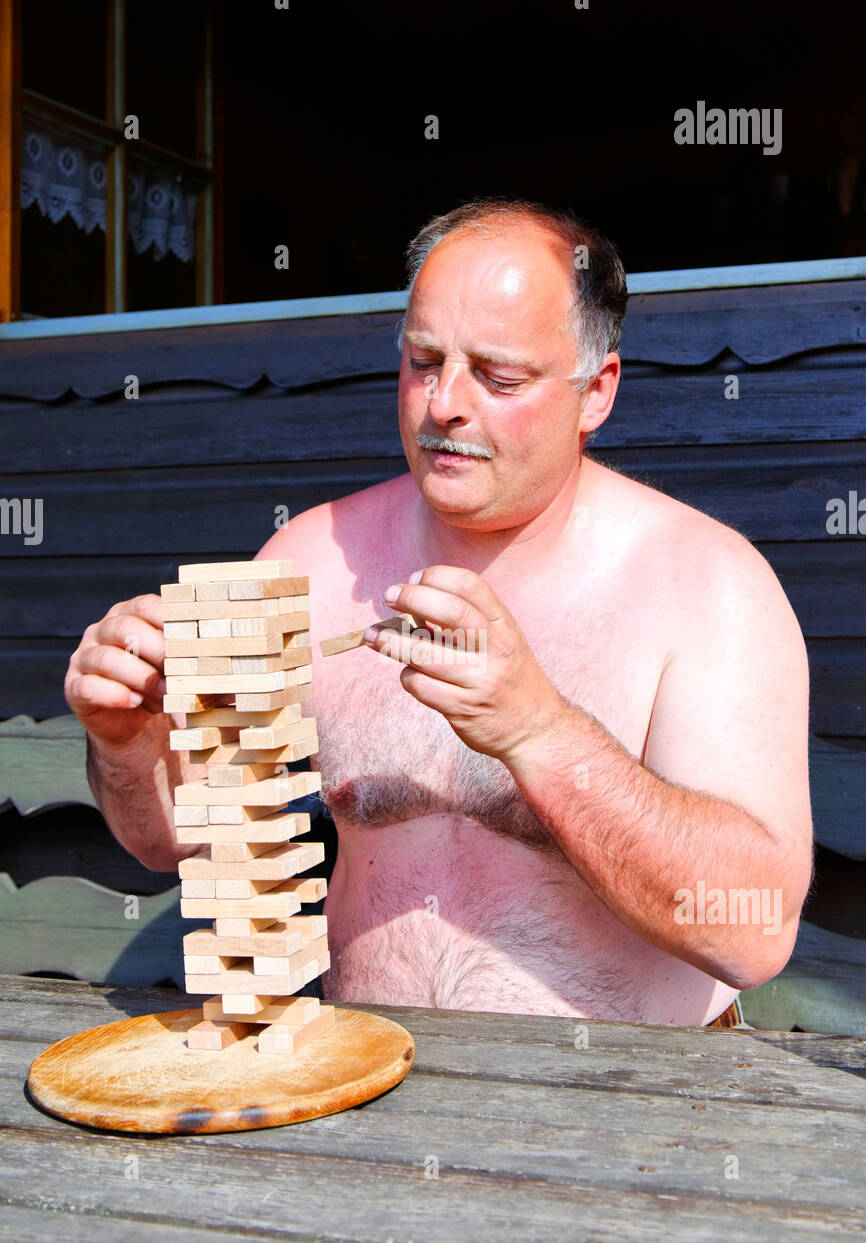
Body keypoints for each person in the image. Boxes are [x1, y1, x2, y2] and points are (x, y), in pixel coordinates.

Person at [65, 197, 813, 1025]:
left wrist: (539, 733)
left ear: (595, 392)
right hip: (364, 1072)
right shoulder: (308, 563)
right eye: (424, 361)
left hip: (622, 1094)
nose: (445, 403)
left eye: (499, 377)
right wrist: (128, 743)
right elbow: (175, 840)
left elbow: (753, 934)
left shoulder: (707, 585)